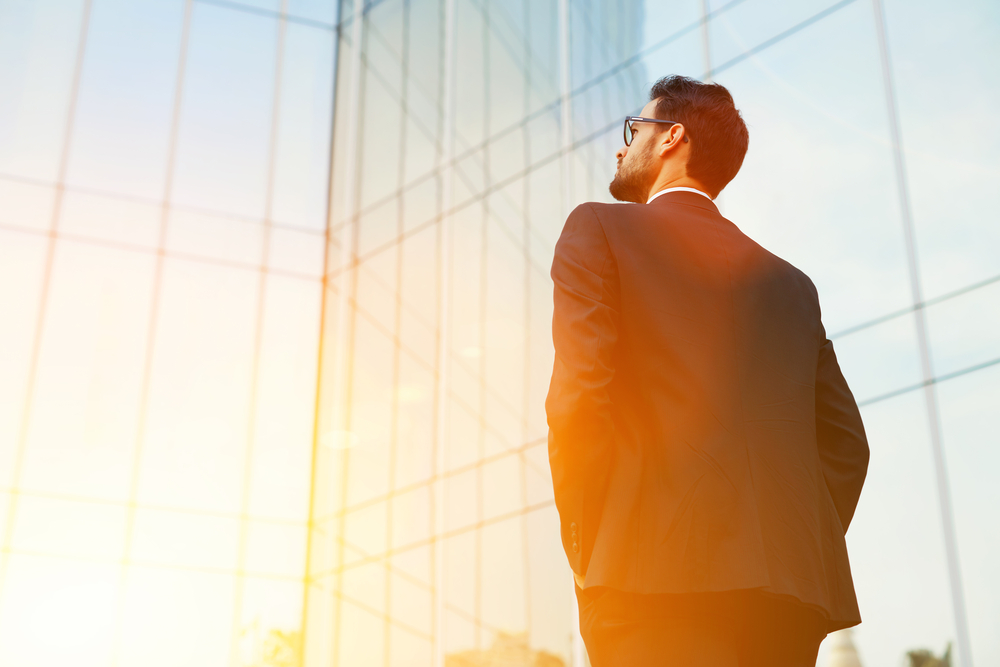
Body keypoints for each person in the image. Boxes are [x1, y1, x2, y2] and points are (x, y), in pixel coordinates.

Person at [545, 75, 870, 666]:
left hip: (644, 582)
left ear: (672, 137)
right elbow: (848, 446)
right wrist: (792, 544)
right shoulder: (791, 284)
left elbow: (578, 397)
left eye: (632, 129)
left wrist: (589, 541)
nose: (621, 147)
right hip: (785, 602)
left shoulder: (598, 230)